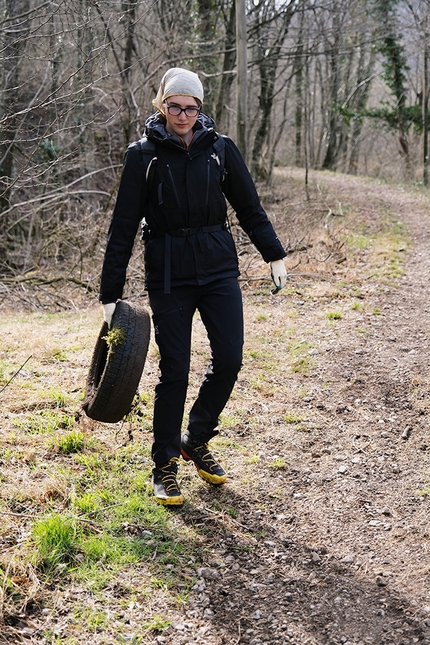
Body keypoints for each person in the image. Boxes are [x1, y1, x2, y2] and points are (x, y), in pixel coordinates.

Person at [99, 67, 287, 506]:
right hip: (169, 276)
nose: (182, 115)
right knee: (176, 372)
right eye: (174, 106)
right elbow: (122, 227)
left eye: (190, 107)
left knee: (230, 360)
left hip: (219, 269)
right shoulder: (141, 156)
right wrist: (110, 293)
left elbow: (249, 206)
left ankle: (196, 437)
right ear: (161, 106)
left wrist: (273, 253)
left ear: (200, 109)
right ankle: (164, 463)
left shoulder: (220, 150)